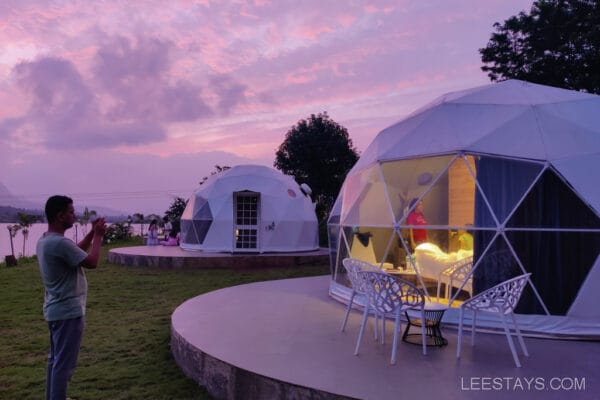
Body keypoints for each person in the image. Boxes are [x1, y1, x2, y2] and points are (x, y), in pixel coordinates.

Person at [36, 195, 107, 400]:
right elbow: (92, 262)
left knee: (55, 360)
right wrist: (100, 237)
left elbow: (76, 252)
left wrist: (92, 232)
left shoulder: (46, 240)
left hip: (55, 310)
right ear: (60, 216)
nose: (74, 215)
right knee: (64, 365)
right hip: (68, 312)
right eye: (71, 212)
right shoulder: (59, 244)